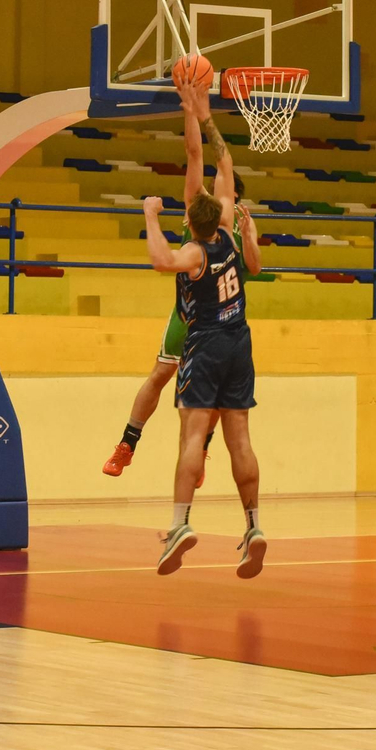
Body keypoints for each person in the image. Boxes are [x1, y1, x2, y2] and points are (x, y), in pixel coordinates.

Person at [142, 77, 265, 577]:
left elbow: (159, 260)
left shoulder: (192, 251)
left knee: (194, 434)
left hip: (208, 342)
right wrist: (201, 111)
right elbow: (220, 161)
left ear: (188, 217)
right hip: (241, 341)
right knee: (240, 439)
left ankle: (180, 523)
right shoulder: (232, 228)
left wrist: (150, 216)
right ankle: (254, 525)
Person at [104, 101, 258, 483]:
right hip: (190, 318)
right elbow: (198, 155)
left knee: (210, 406)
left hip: (221, 326)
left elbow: (255, 267)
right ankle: (128, 442)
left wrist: (253, 237)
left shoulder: (233, 225)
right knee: (160, 374)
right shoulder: (208, 214)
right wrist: (194, 111)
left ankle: (199, 449)